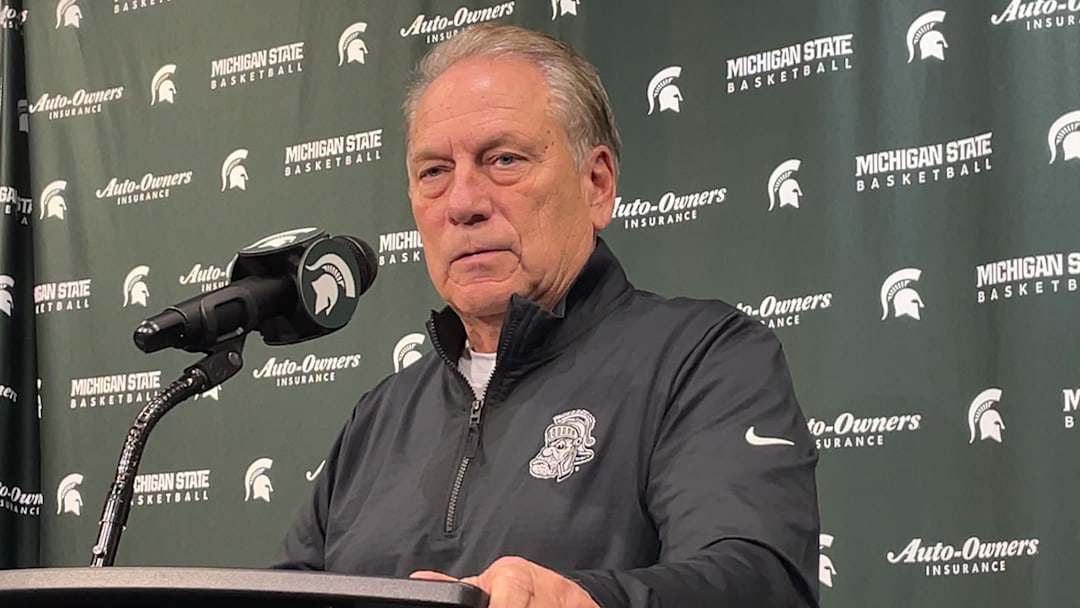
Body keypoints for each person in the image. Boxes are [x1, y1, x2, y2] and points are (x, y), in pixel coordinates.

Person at [271, 23, 820, 608]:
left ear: (597, 184)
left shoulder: (704, 358)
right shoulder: (380, 416)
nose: (462, 203)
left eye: (504, 160)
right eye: (434, 171)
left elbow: (758, 580)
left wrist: (583, 600)